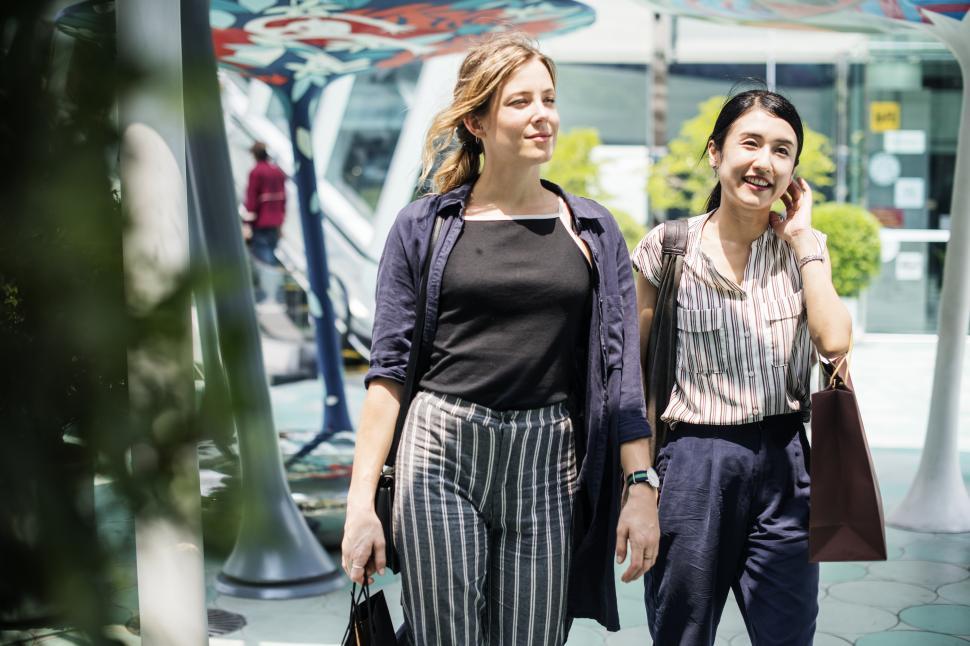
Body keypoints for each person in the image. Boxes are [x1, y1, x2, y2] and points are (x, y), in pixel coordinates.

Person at [341, 32, 659, 646]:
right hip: (440, 450)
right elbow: (388, 372)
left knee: (536, 634)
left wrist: (640, 486)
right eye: (520, 102)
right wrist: (360, 504)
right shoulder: (423, 227)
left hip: (547, 459)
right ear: (478, 121)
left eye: (549, 98)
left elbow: (622, 373)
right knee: (445, 635)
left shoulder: (591, 229)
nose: (543, 114)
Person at [633, 89, 852, 646]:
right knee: (680, 633)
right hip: (691, 465)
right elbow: (631, 372)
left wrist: (803, 237)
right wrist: (636, 480)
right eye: (750, 143)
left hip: (786, 461)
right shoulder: (668, 247)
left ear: (794, 173)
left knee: (788, 634)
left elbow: (834, 341)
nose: (765, 162)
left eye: (783, 151)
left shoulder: (806, 248)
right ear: (715, 152)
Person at [242, 141, 287, 302]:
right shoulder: (278, 172)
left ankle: (270, 296)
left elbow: (251, 201)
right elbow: (283, 201)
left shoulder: (256, 173)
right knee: (270, 256)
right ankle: (274, 293)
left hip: (261, 223)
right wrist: (281, 226)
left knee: (262, 261)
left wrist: (247, 226)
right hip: (275, 223)